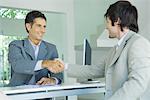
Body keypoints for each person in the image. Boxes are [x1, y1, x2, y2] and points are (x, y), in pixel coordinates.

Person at [66, 1, 150, 100]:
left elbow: (138, 83)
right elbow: (94, 70)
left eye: (107, 21)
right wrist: (65, 66)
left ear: (117, 21)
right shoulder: (115, 50)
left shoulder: (138, 43)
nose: (106, 27)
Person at [8, 10, 64, 86]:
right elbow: (18, 65)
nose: (43, 30)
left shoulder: (51, 48)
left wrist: (53, 80)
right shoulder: (15, 45)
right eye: (39, 26)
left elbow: (58, 73)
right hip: (18, 93)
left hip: (42, 94)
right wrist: (44, 63)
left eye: (44, 26)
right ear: (28, 27)